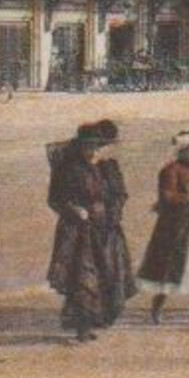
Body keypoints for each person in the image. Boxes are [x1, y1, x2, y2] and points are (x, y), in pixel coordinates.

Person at [46, 121, 135, 341]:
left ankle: (97, 318)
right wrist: (74, 209)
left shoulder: (109, 168)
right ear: (80, 146)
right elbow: (55, 199)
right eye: (88, 147)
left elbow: (120, 195)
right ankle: (82, 329)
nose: (92, 151)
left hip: (107, 229)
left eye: (97, 147)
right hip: (78, 231)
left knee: (108, 274)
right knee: (83, 278)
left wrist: (113, 212)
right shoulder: (69, 169)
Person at [138, 129, 189, 324]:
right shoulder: (171, 170)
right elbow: (166, 196)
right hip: (173, 228)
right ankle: (157, 308)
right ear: (183, 151)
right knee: (168, 270)